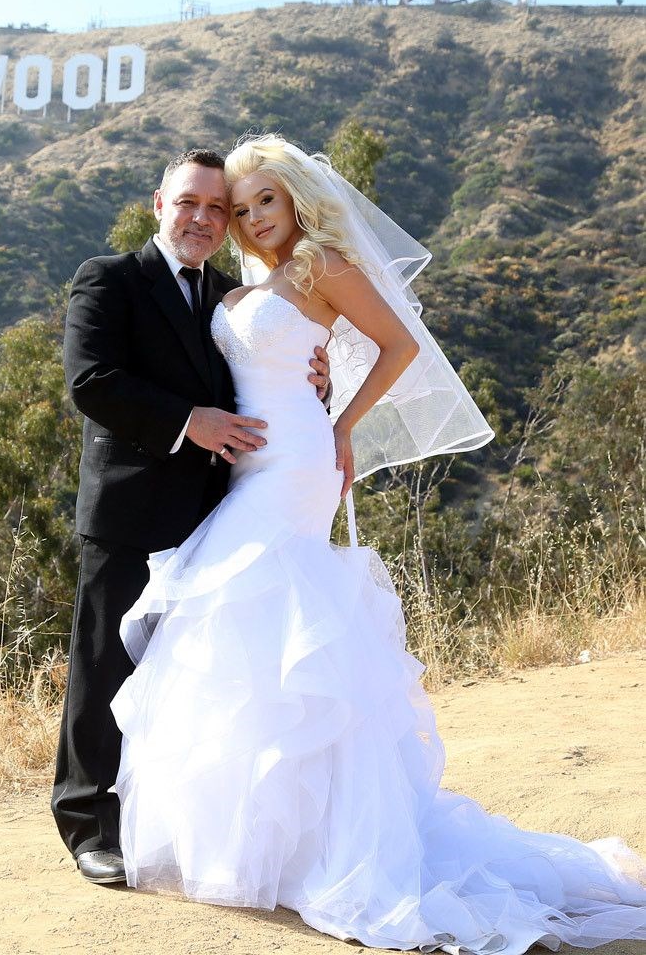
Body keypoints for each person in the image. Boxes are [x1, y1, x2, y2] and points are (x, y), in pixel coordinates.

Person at [110, 134, 646, 952]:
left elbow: (400, 345)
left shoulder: (321, 264)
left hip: (299, 462)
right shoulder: (246, 283)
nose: (253, 218)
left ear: (295, 199)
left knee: (252, 611)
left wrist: (343, 424)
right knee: (251, 630)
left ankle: (331, 843)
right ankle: (282, 841)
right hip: (251, 466)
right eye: (241, 208)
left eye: (265, 200)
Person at [52, 148, 331, 885]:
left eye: (217, 208)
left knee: (189, 676)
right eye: (189, 203)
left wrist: (315, 377)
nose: (203, 219)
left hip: (215, 510)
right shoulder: (109, 279)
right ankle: (88, 825)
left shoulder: (228, 295)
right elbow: (92, 381)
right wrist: (188, 422)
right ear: (159, 204)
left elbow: (263, 375)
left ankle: (162, 822)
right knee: (106, 667)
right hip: (130, 510)